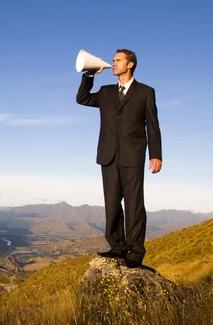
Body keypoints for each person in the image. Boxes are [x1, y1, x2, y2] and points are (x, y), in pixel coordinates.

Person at [76, 49, 162, 268]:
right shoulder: (105, 93)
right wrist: (90, 74)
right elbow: (82, 98)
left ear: (130, 65)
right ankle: (117, 247)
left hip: (133, 156)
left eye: (117, 60)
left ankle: (135, 250)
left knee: (134, 204)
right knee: (112, 203)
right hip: (108, 155)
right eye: (113, 60)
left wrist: (156, 155)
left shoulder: (145, 92)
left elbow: (152, 125)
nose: (113, 63)